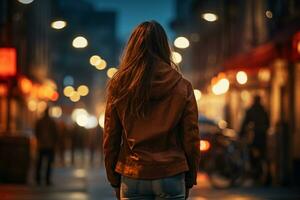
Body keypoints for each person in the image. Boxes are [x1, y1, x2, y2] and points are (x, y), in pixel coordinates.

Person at [103, 21, 200, 200]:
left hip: (133, 174)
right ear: (165, 47)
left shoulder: (120, 87)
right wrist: (190, 178)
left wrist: (114, 179)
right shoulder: (182, 86)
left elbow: (111, 138)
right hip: (171, 172)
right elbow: (191, 136)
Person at [240, 95, 270, 183]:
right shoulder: (263, 110)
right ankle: (266, 175)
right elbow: (268, 123)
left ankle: (256, 172)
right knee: (263, 155)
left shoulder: (252, 110)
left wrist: (241, 132)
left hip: (255, 136)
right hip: (262, 136)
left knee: (252, 153)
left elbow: (245, 122)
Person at [35, 107, 58, 185]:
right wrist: (54, 143)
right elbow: (55, 133)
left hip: (41, 145)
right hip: (49, 145)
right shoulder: (51, 122)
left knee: (40, 162)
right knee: (48, 163)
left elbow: (36, 132)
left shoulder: (40, 121)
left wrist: (39, 140)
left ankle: (38, 179)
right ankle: (47, 180)